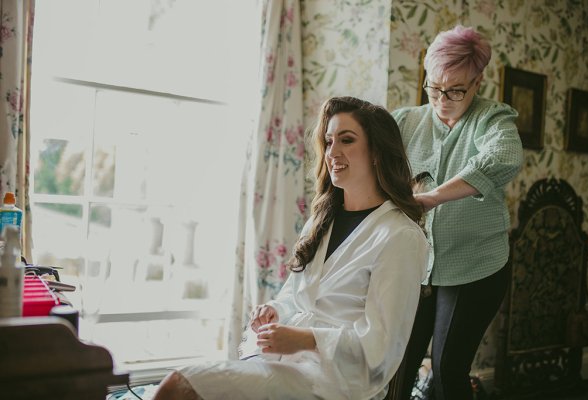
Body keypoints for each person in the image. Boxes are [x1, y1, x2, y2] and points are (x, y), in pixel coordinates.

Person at [152, 96, 430, 400]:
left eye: (347, 140)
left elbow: (382, 345)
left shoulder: (399, 236)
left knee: (178, 387)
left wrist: (306, 340)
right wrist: (275, 310)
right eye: (329, 141)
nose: (332, 152)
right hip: (286, 365)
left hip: (334, 383)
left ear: (377, 151)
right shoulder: (321, 221)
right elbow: (296, 296)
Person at [391, 25, 524, 400]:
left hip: (475, 266)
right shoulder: (404, 122)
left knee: (448, 368)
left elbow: (503, 158)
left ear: (478, 82)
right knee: (397, 364)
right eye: (433, 87)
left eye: (455, 90)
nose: (441, 99)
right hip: (416, 267)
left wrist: (433, 197)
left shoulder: (493, 120)